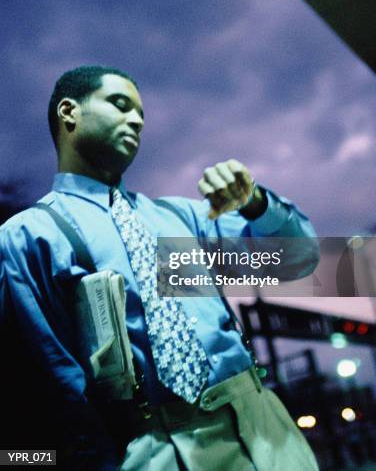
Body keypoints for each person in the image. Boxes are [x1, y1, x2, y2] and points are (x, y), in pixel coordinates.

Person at [0, 66, 320, 470]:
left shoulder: (181, 219)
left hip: (265, 433)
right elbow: (47, 382)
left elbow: (298, 259)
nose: (136, 119)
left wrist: (255, 202)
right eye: (120, 105)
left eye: (141, 114)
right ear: (69, 113)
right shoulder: (31, 235)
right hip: (150, 447)